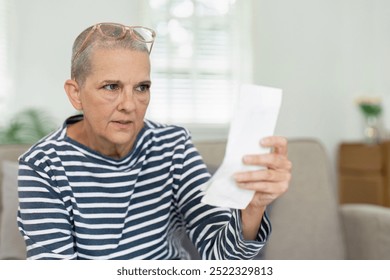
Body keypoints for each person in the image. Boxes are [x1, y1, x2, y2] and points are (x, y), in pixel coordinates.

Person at [17, 22, 292, 260]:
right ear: (76, 94)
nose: (129, 105)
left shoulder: (173, 146)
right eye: (111, 87)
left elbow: (222, 258)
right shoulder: (42, 166)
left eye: (141, 88)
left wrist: (253, 207)